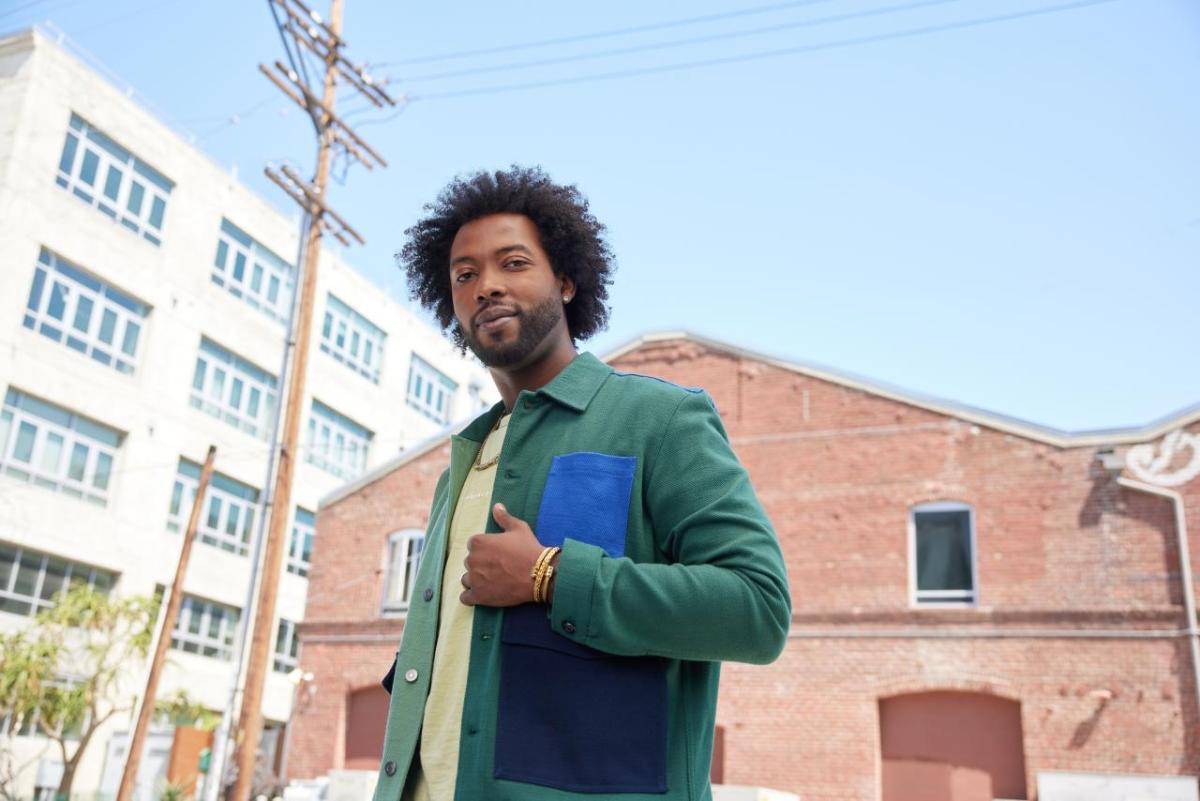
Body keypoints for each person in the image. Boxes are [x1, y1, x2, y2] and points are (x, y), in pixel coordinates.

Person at [372, 166, 791, 801]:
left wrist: (549, 574)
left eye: (513, 263)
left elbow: (757, 611)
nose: (485, 286)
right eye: (464, 274)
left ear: (566, 281)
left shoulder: (659, 419)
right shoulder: (466, 458)